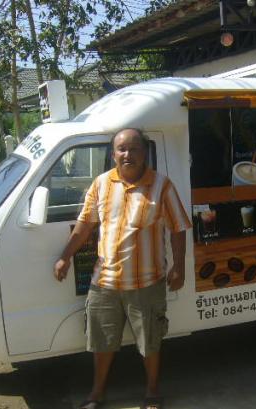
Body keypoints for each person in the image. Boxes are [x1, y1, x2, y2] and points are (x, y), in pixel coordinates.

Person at [53, 128, 191, 409]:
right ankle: (97, 394)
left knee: (150, 341)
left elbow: (178, 228)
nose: (128, 154)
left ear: (144, 153)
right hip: (104, 283)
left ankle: (152, 392)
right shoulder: (101, 184)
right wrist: (65, 256)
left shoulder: (162, 186)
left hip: (147, 283)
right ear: (113, 154)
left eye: (134, 148)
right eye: (121, 149)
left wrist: (179, 267)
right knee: (101, 342)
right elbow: (85, 225)